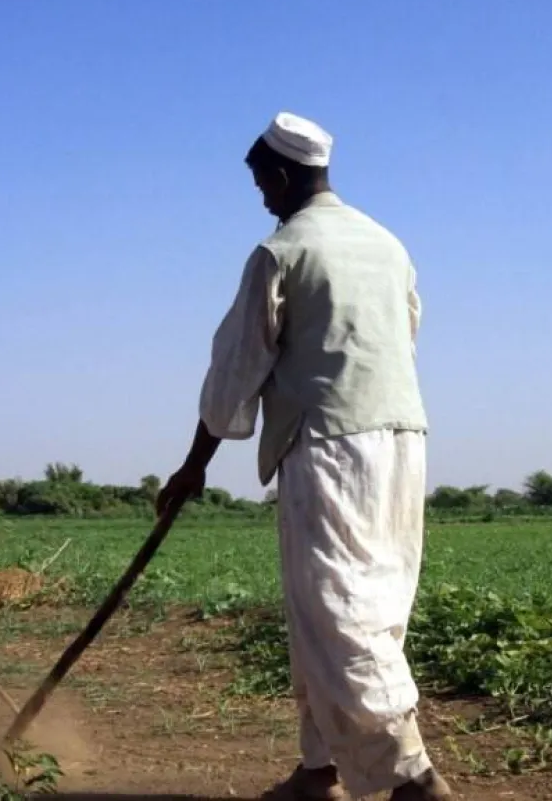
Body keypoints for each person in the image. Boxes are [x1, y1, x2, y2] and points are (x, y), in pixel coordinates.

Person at [156, 112, 452, 801]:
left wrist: (194, 462)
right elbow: (403, 331)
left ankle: (412, 778)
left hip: (328, 445)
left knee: (342, 611)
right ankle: (319, 770)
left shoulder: (281, 251)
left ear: (284, 176)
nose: (261, 196)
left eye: (262, 182)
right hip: (403, 438)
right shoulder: (387, 244)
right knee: (356, 607)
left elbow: (238, 367)